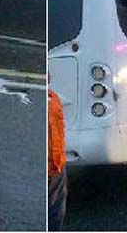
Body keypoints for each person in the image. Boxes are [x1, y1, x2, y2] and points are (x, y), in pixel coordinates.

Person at [47, 89, 68, 232]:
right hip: (51, 167)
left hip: (57, 166)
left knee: (55, 215)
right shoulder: (51, 98)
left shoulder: (53, 97)